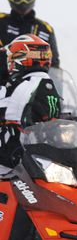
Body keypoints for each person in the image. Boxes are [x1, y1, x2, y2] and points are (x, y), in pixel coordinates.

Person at [0, 34, 61, 169]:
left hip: (15, 156)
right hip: (32, 155)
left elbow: (12, 116)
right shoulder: (40, 82)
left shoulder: (29, 83)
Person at [0, 0, 60, 86]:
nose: (23, 2)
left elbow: (54, 65)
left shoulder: (45, 28)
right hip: (3, 86)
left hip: (36, 88)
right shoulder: (1, 22)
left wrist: (57, 94)